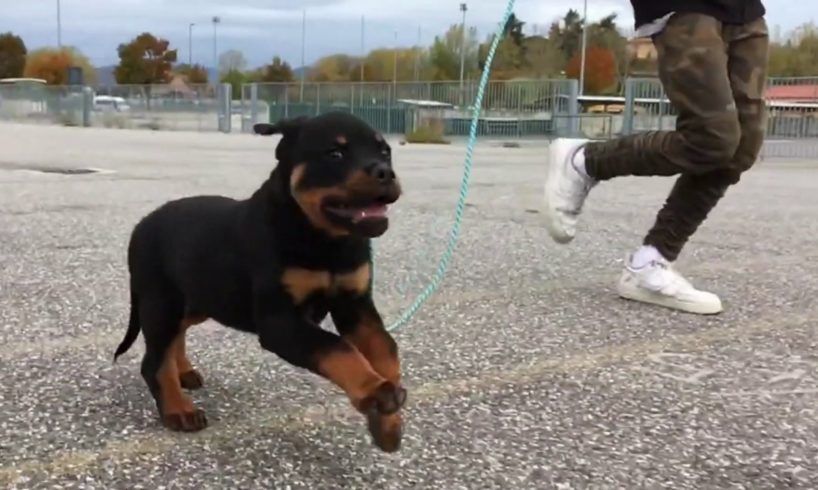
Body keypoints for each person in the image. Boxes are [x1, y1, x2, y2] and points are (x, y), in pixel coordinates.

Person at [543, 0, 769, 315]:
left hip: (745, 11)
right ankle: (586, 161)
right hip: (684, 7)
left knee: (741, 146)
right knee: (711, 137)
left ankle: (651, 263)